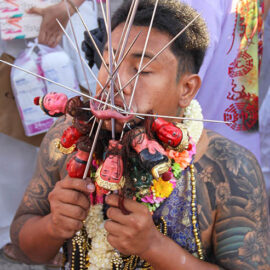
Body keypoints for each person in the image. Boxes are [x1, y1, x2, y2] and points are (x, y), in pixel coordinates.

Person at [9, 1, 270, 270]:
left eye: (142, 70)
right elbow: (25, 248)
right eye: (108, 62)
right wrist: (53, 226)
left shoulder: (230, 168)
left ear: (187, 89)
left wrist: (154, 248)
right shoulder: (68, 139)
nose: (115, 84)